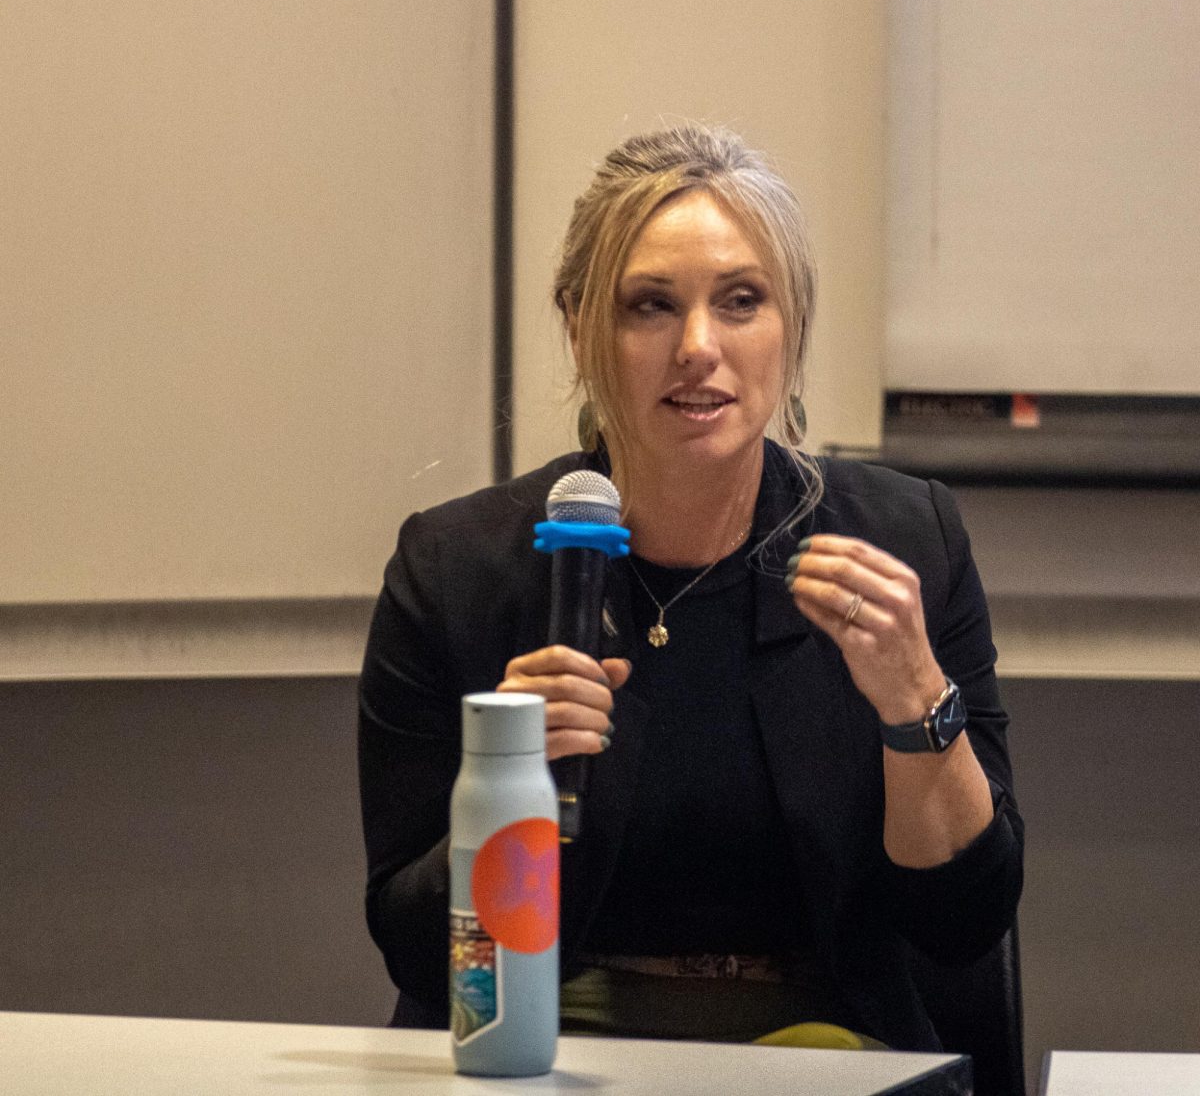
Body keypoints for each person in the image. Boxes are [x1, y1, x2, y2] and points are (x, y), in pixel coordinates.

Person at [357, 123, 1023, 1050]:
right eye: (650, 306)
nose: (698, 347)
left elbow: (964, 923)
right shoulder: (458, 571)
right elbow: (416, 952)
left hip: (828, 1051)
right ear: (580, 329)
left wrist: (917, 706)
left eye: (742, 300)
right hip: (552, 1047)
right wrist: (510, 793)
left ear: (792, 329)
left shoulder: (906, 542)